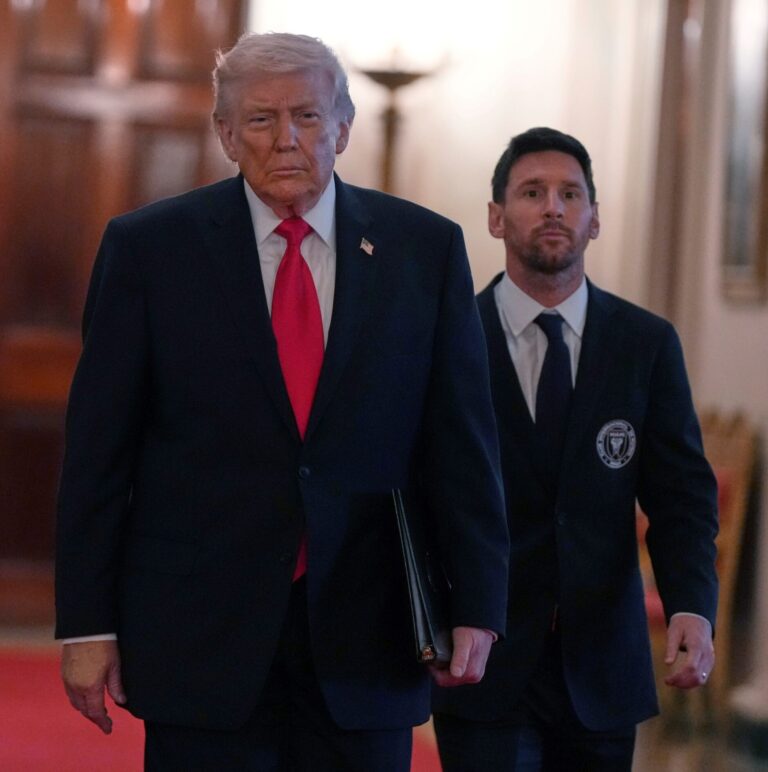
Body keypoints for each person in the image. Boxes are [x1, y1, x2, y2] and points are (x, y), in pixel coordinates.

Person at [55, 32, 509, 771]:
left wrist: (480, 604)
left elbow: (463, 445)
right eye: (261, 120)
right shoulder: (149, 251)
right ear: (227, 135)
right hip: (198, 635)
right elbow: (99, 456)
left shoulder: (423, 250)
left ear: (343, 127)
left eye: (307, 114)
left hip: (372, 631)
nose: (287, 138)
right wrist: (85, 625)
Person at [431, 127, 719, 771]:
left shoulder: (645, 344)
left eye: (570, 194)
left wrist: (693, 606)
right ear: (497, 217)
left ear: (594, 220)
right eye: (533, 192)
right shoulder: (450, 340)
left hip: (601, 666)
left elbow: (681, 497)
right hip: (483, 660)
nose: (554, 207)